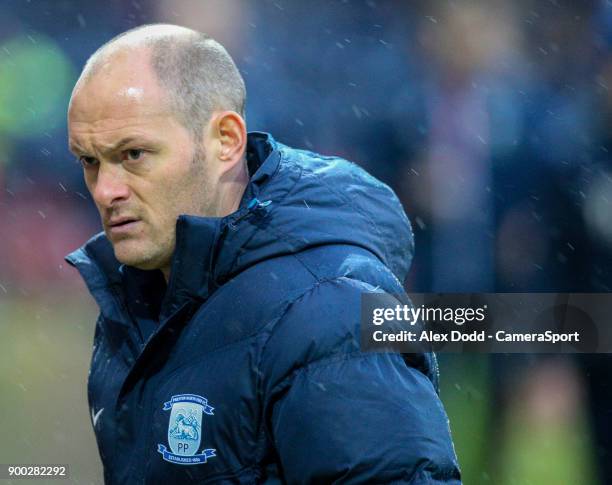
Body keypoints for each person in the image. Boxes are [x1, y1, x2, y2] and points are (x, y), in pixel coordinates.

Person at [66, 23, 461, 484]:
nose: (106, 190)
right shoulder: (139, 297)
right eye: (90, 161)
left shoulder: (331, 316)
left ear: (226, 141)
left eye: (133, 154)